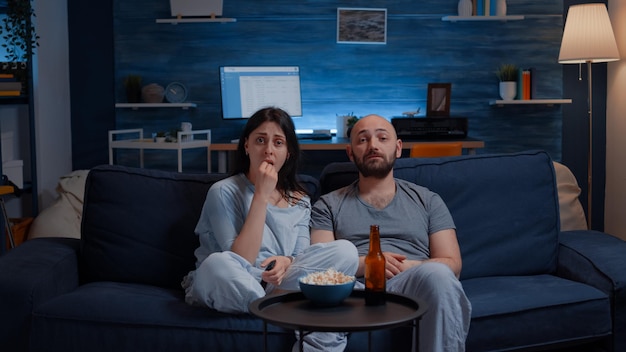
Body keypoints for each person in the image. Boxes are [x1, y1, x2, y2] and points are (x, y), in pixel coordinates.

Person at [181, 107, 358, 352]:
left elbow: (300, 256)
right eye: (260, 140)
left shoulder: (300, 200)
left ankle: (279, 303)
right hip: (234, 281)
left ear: (289, 152)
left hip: (281, 282)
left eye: (278, 142)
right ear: (246, 146)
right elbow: (240, 258)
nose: (268, 150)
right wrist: (261, 196)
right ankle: (290, 306)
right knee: (216, 265)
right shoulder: (223, 192)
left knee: (345, 251)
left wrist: (287, 261)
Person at [310, 114, 471, 351]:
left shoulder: (428, 201)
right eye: (362, 140)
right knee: (322, 296)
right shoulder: (327, 205)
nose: (373, 145)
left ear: (397, 148)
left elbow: (452, 264)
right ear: (350, 152)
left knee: (439, 275)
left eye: (382, 138)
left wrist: (410, 267)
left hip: (412, 285)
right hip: (353, 289)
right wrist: (370, 265)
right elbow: (321, 265)